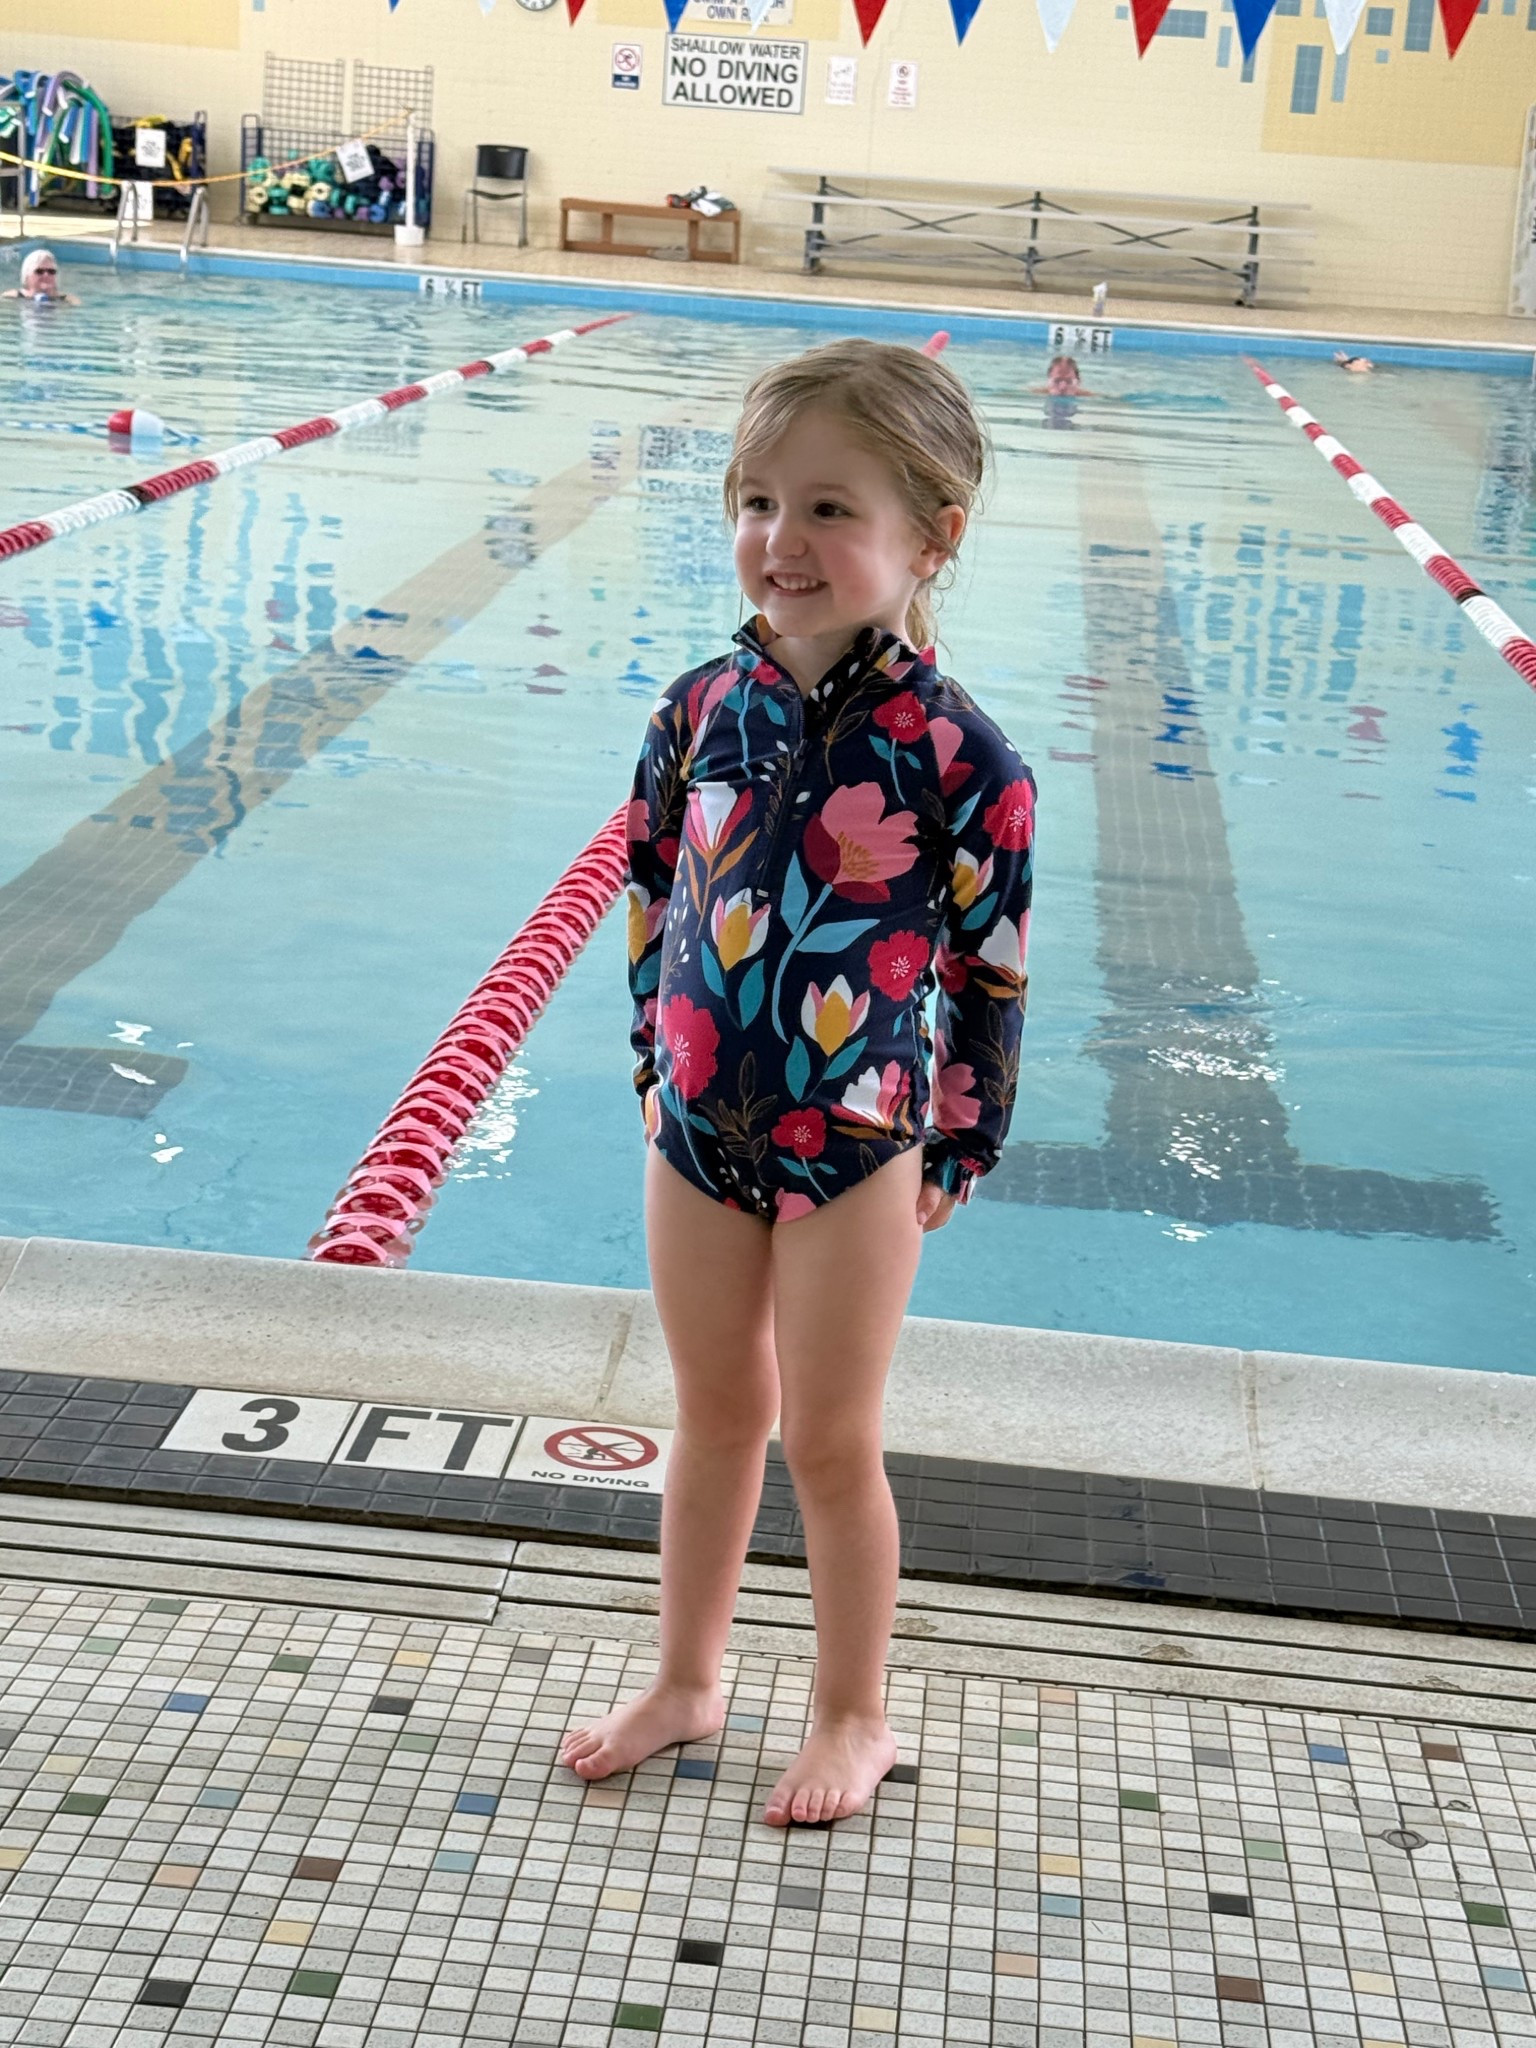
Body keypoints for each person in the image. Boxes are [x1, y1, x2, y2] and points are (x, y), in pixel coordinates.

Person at [561, 339, 1036, 1826]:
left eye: (830, 508)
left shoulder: (964, 757)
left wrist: (960, 1146)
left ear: (930, 537)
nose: (783, 540)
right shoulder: (698, 708)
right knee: (711, 1412)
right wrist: (654, 1056)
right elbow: (649, 891)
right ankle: (689, 1678)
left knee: (830, 1439)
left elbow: (993, 969)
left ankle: (852, 1712)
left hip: (859, 1138)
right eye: (758, 501)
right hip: (698, 1123)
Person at [2, 249, 78, 304]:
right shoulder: (11, 297)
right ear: (27, 275)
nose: (46, 275)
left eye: (51, 271)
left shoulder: (68, 301)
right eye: (39, 271)